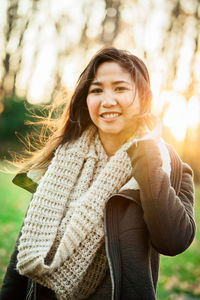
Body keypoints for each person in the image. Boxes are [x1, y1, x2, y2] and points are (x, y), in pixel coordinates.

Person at [0, 47, 196, 300]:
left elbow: (173, 241)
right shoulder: (62, 161)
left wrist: (148, 159)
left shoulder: (167, 163)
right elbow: (24, 249)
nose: (107, 100)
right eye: (96, 90)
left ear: (144, 98)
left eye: (120, 88)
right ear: (85, 99)